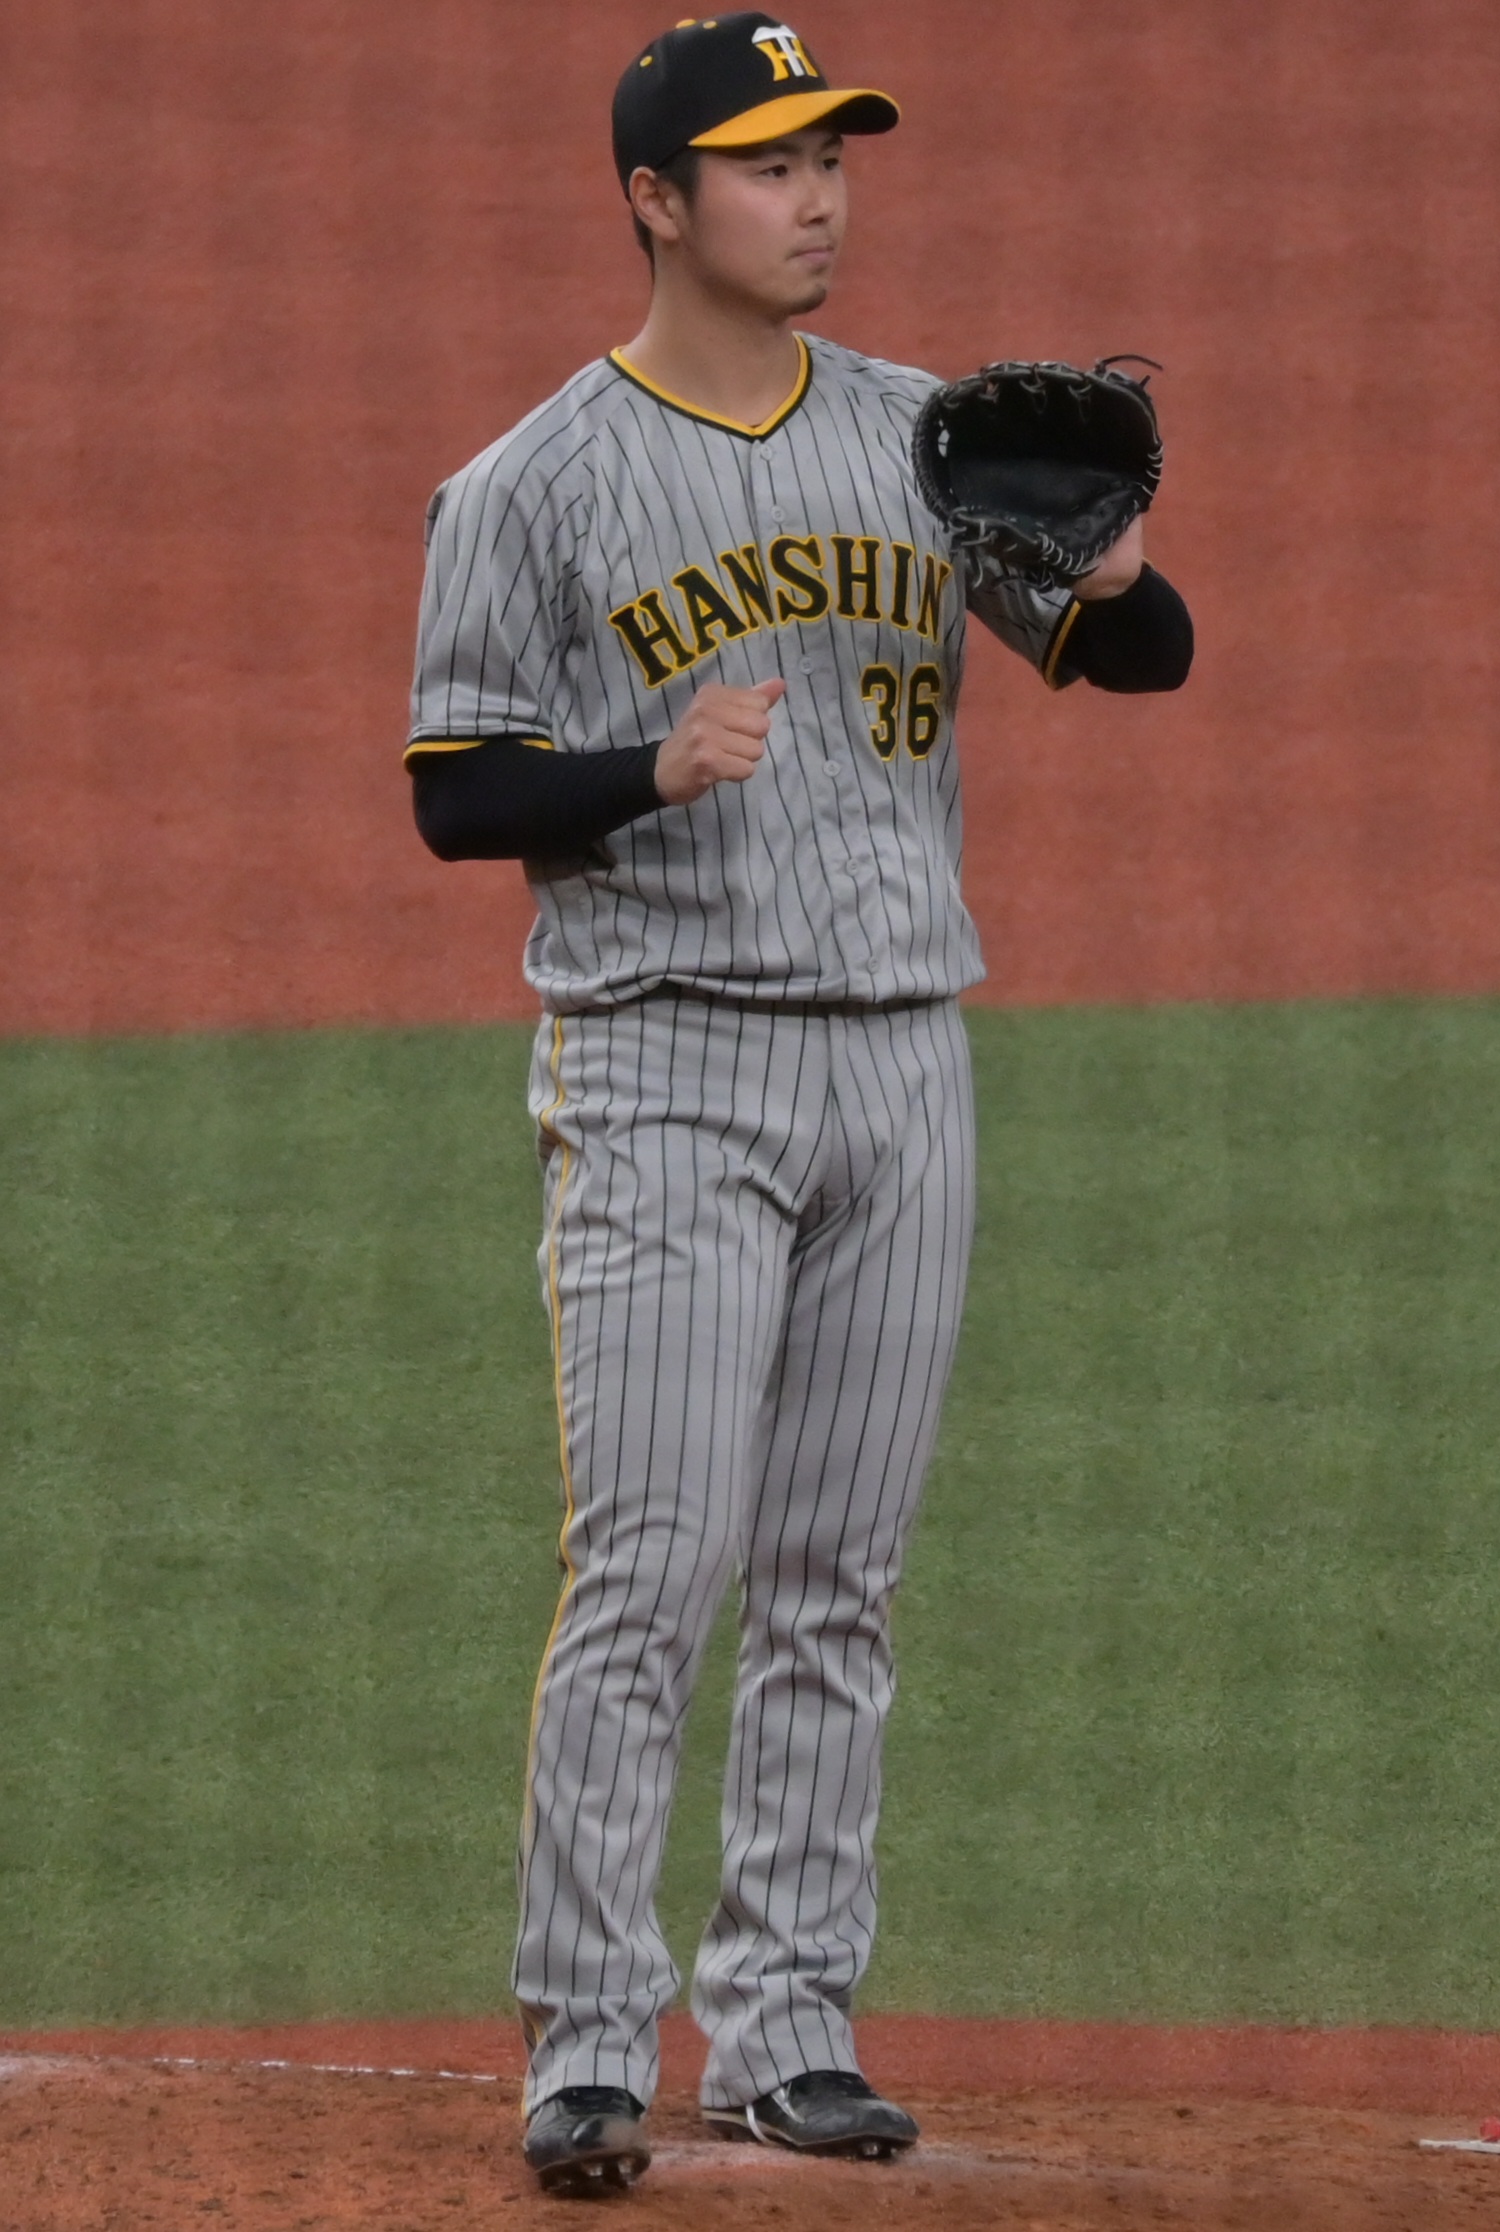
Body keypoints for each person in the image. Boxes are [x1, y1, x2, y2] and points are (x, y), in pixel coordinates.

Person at [406, 11, 1192, 2199]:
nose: (817, 196)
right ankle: (581, 2046)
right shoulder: (532, 483)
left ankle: (783, 2029)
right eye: (765, 166)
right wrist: (647, 767)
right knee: (655, 1566)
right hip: (663, 1064)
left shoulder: (924, 440)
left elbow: (1140, 664)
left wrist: (1112, 585)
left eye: (831, 157)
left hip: (899, 1061)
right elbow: (455, 793)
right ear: (656, 199)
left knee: (837, 1575)